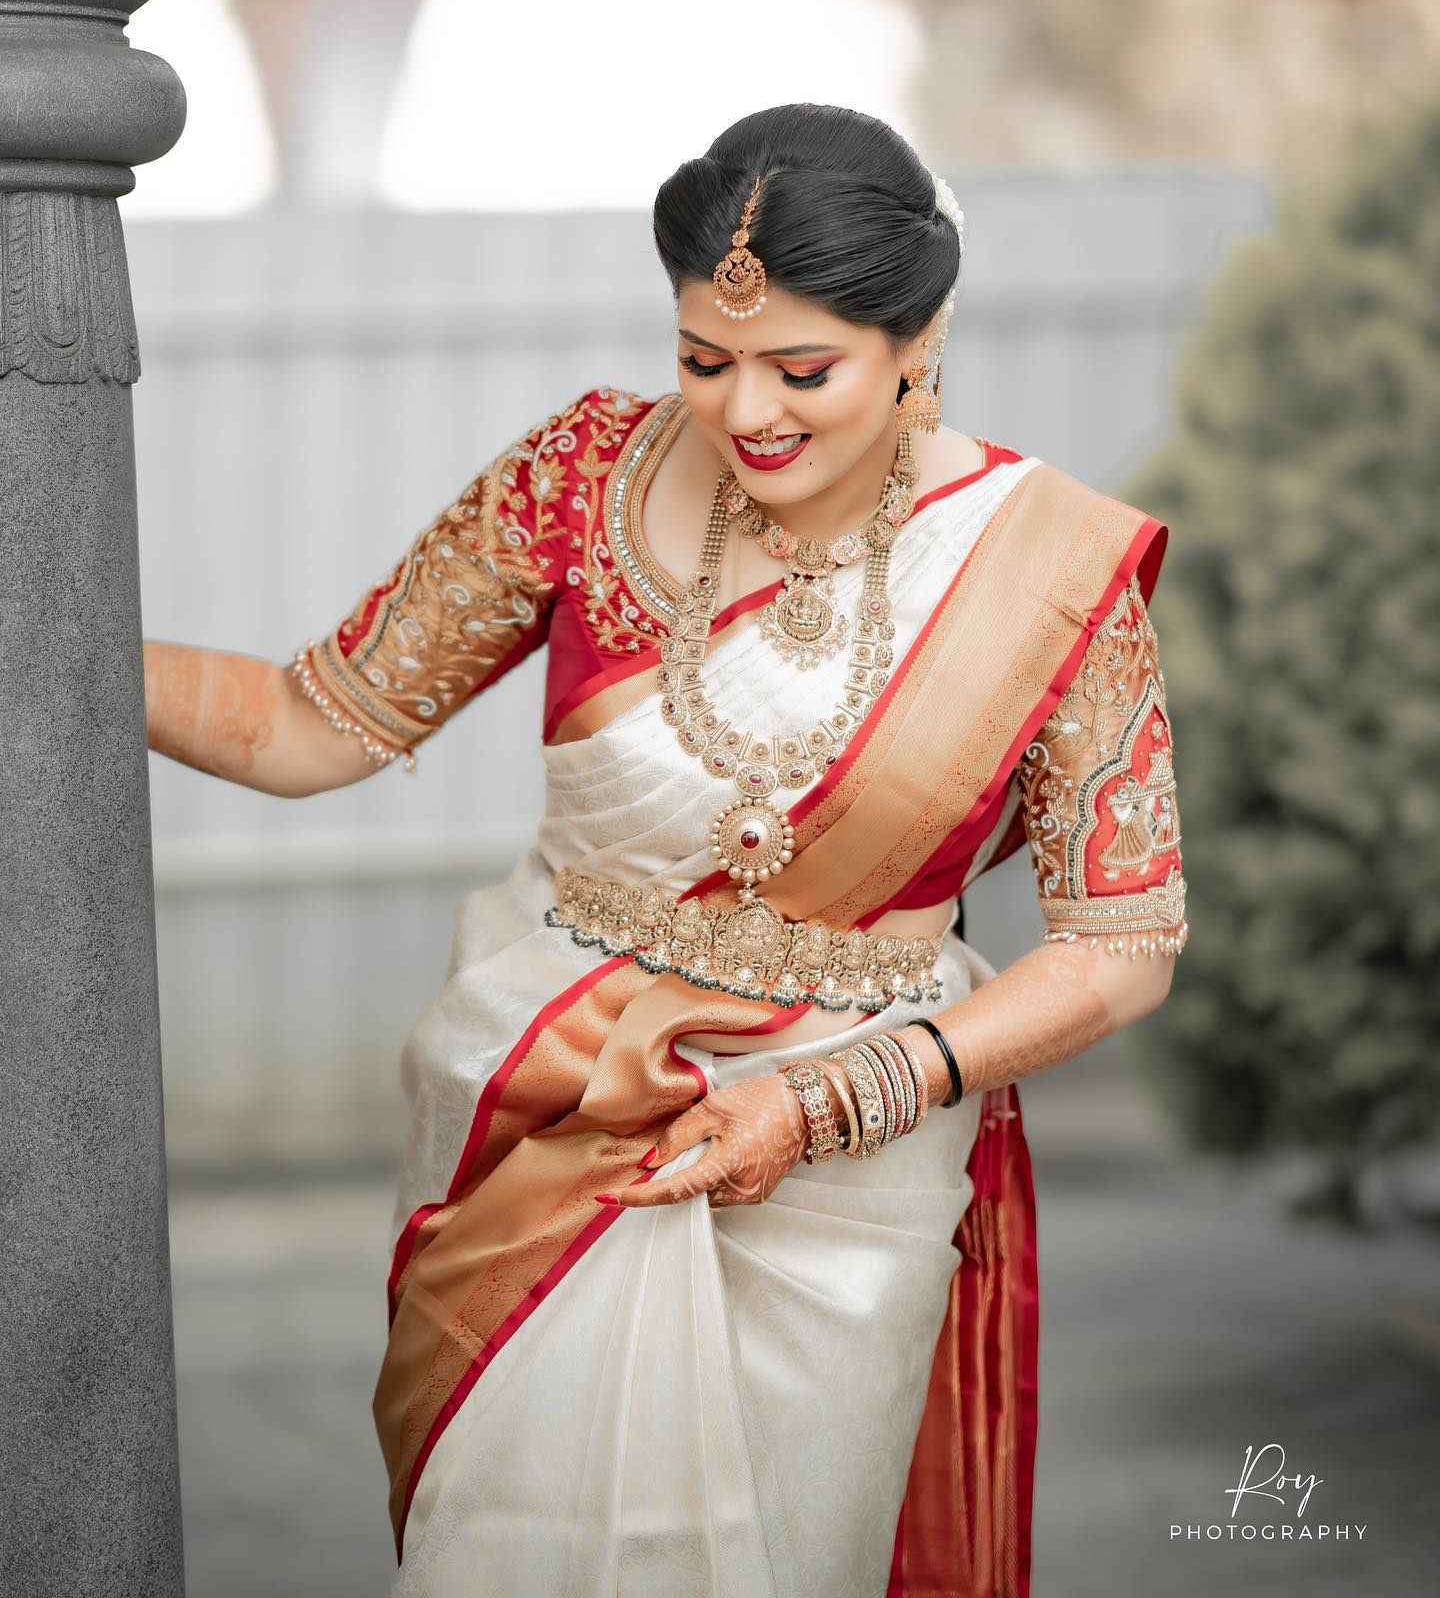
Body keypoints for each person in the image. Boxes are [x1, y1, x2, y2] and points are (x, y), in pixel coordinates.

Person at [144, 103, 1187, 1598]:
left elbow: (1122, 946)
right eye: (704, 359)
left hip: (846, 1179)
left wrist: (833, 1096)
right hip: (540, 1106)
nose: (745, 411)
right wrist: (60, 648)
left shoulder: (1044, 572)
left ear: (920, 337)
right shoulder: (583, 477)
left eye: (801, 369)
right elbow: (314, 725)